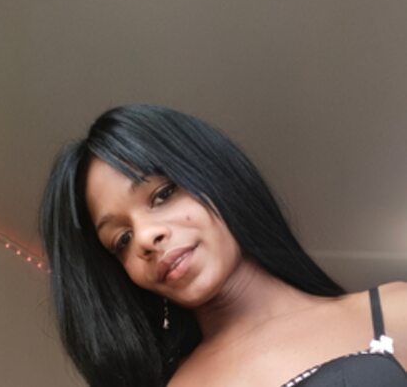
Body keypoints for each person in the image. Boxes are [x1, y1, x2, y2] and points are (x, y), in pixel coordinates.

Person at [39, 104, 407, 387]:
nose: (147, 238)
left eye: (163, 194)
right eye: (122, 240)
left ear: (213, 174)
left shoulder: (395, 312)